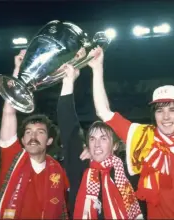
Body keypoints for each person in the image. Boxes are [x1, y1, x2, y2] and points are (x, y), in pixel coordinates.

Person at [88, 46, 174, 219]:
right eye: (160, 110)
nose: (166, 117)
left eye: (172, 110)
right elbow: (104, 112)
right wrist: (97, 68)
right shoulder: (145, 136)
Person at [57, 64, 143, 219]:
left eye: (104, 138)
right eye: (92, 138)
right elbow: (68, 127)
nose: (96, 144)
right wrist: (68, 82)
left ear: (116, 145)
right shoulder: (81, 166)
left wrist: (97, 69)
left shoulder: (129, 172)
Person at [0, 50, 69, 220]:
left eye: (40, 132)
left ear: (49, 140)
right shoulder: (13, 156)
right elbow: (8, 113)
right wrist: (18, 71)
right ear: (22, 139)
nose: (32, 136)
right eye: (28, 132)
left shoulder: (57, 170)